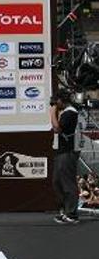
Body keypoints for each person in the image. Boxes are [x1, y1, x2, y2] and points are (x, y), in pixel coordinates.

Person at [51, 91, 80, 225]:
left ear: (62, 100)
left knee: (68, 182)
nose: (55, 104)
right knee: (57, 181)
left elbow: (57, 128)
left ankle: (72, 214)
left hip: (68, 152)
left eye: (57, 101)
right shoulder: (65, 112)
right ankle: (65, 210)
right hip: (61, 151)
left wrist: (52, 112)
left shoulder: (70, 112)